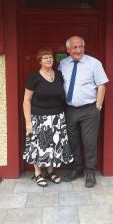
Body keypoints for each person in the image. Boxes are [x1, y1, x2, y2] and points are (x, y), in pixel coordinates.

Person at [59, 36, 109, 188]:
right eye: (74, 47)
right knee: (73, 142)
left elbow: (102, 86)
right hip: (69, 109)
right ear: (68, 49)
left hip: (89, 109)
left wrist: (98, 107)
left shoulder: (94, 63)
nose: (78, 50)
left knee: (89, 143)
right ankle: (77, 169)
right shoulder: (63, 64)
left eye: (81, 46)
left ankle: (90, 172)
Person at [23, 47, 74, 187]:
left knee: (53, 146)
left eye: (50, 57)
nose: (49, 59)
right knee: (38, 146)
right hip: (39, 118)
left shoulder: (58, 75)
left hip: (57, 118)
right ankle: (38, 173)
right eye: (45, 57)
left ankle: (51, 172)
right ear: (40, 61)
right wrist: (28, 122)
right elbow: (26, 100)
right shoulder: (34, 77)